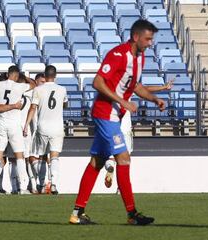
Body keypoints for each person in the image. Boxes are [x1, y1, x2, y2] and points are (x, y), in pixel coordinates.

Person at [69, 19, 165, 225]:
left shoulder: (141, 57)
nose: (150, 43)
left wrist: (154, 98)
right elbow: (97, 82)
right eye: (147, 39)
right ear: (136, 37)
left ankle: (77, 213)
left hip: (115, 115)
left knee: (97, 162)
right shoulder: (118, 54)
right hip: (105, 113)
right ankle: (132, 214)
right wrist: (122, 101)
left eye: (152, 39)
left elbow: (135, 85)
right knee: (123, 158)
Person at [104, 80, 174, 188]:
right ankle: (122, 185)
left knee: (113, 156)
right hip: (125, 127)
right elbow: (145, 89)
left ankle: (110, 165)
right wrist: (163, 87)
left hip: (112, 126)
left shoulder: (109, 83)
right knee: (125, 159)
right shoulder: (127, 81)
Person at [0, 65, 36, 194]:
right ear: (16, 76)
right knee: (19, 156)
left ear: (7, 74)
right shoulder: (20, 86)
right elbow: (33, 84)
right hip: (14, 126)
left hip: (1, 125)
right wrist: (25, 77)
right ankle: (22, 188)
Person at [23, 65, 68, 195]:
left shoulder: (38, 89)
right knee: (54, 156)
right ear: (55, 76)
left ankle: (41, 185)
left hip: (42, 126)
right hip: (57, 127)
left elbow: (33, 108)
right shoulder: (62, 89)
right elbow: (65, 104)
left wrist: (26, 124)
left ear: (45, 75)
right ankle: (53, 184)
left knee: (42, 156)